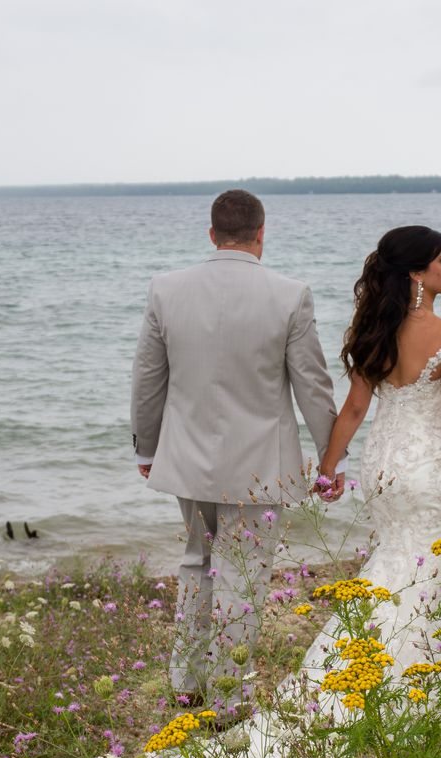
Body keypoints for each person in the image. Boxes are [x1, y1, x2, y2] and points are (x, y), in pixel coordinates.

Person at [151, 224, 441, 758]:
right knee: (422, 576)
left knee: (392, 567)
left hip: (383, 473)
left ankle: (375, 677)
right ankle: (422, 690)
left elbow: (355, 411)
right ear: (417, 273)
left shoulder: (374, 332)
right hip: (429, 473)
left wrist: (330, 467)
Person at [130, 189, 339, 717]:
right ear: (261, 234)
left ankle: (186, 683)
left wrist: (147, 446)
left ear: (212, 234)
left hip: (187, 460)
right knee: (242, 575)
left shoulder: (166, 289)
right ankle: (228, 698)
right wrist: (330, 457)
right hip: (258, 468)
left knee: (197, 561)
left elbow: (149, 378)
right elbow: (312, 385)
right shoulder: (291, 294)